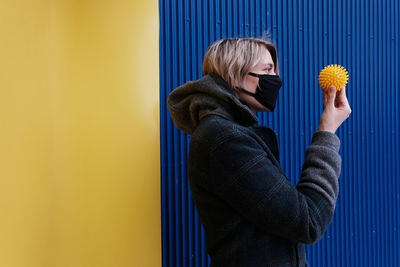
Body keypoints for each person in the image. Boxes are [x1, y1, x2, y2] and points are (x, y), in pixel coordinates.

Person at [167, 38, 352, 267]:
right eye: (267, 70)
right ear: (234, 75)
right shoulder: (225, 139)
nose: (276, 79)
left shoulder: (227, 132)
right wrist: (327, 132)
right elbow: (308, 220)